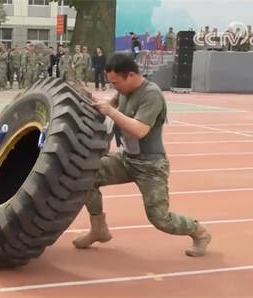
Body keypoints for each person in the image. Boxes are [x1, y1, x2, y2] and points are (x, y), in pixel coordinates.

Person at [72, 54, 212, 257]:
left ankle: (199, 232)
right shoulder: (124, 90)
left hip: (150, 165)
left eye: (116, 82)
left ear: (131, 75)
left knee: (160, 219)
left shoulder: (151, 95)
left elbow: (139, 130)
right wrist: (88, 98)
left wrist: (110, 111)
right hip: (127, 159)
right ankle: (98, 229)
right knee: (86, 175)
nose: (115, 87)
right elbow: (108, 105)